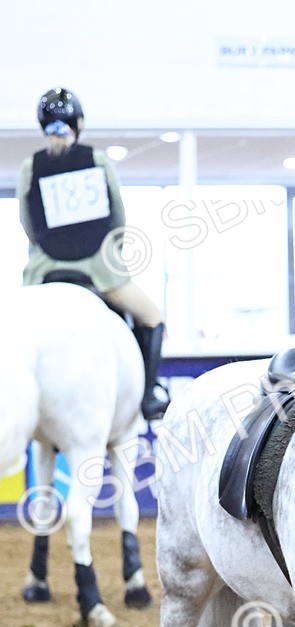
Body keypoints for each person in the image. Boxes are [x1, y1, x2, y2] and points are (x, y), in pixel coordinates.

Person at [17, 87, 170, 422]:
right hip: (99, 272)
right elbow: (118, 217)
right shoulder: (98, 160)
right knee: (152, 317)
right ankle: (148, 395)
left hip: (43, 275)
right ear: (79, 122)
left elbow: (28, 224)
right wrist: (112, 256)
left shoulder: (30, 166)